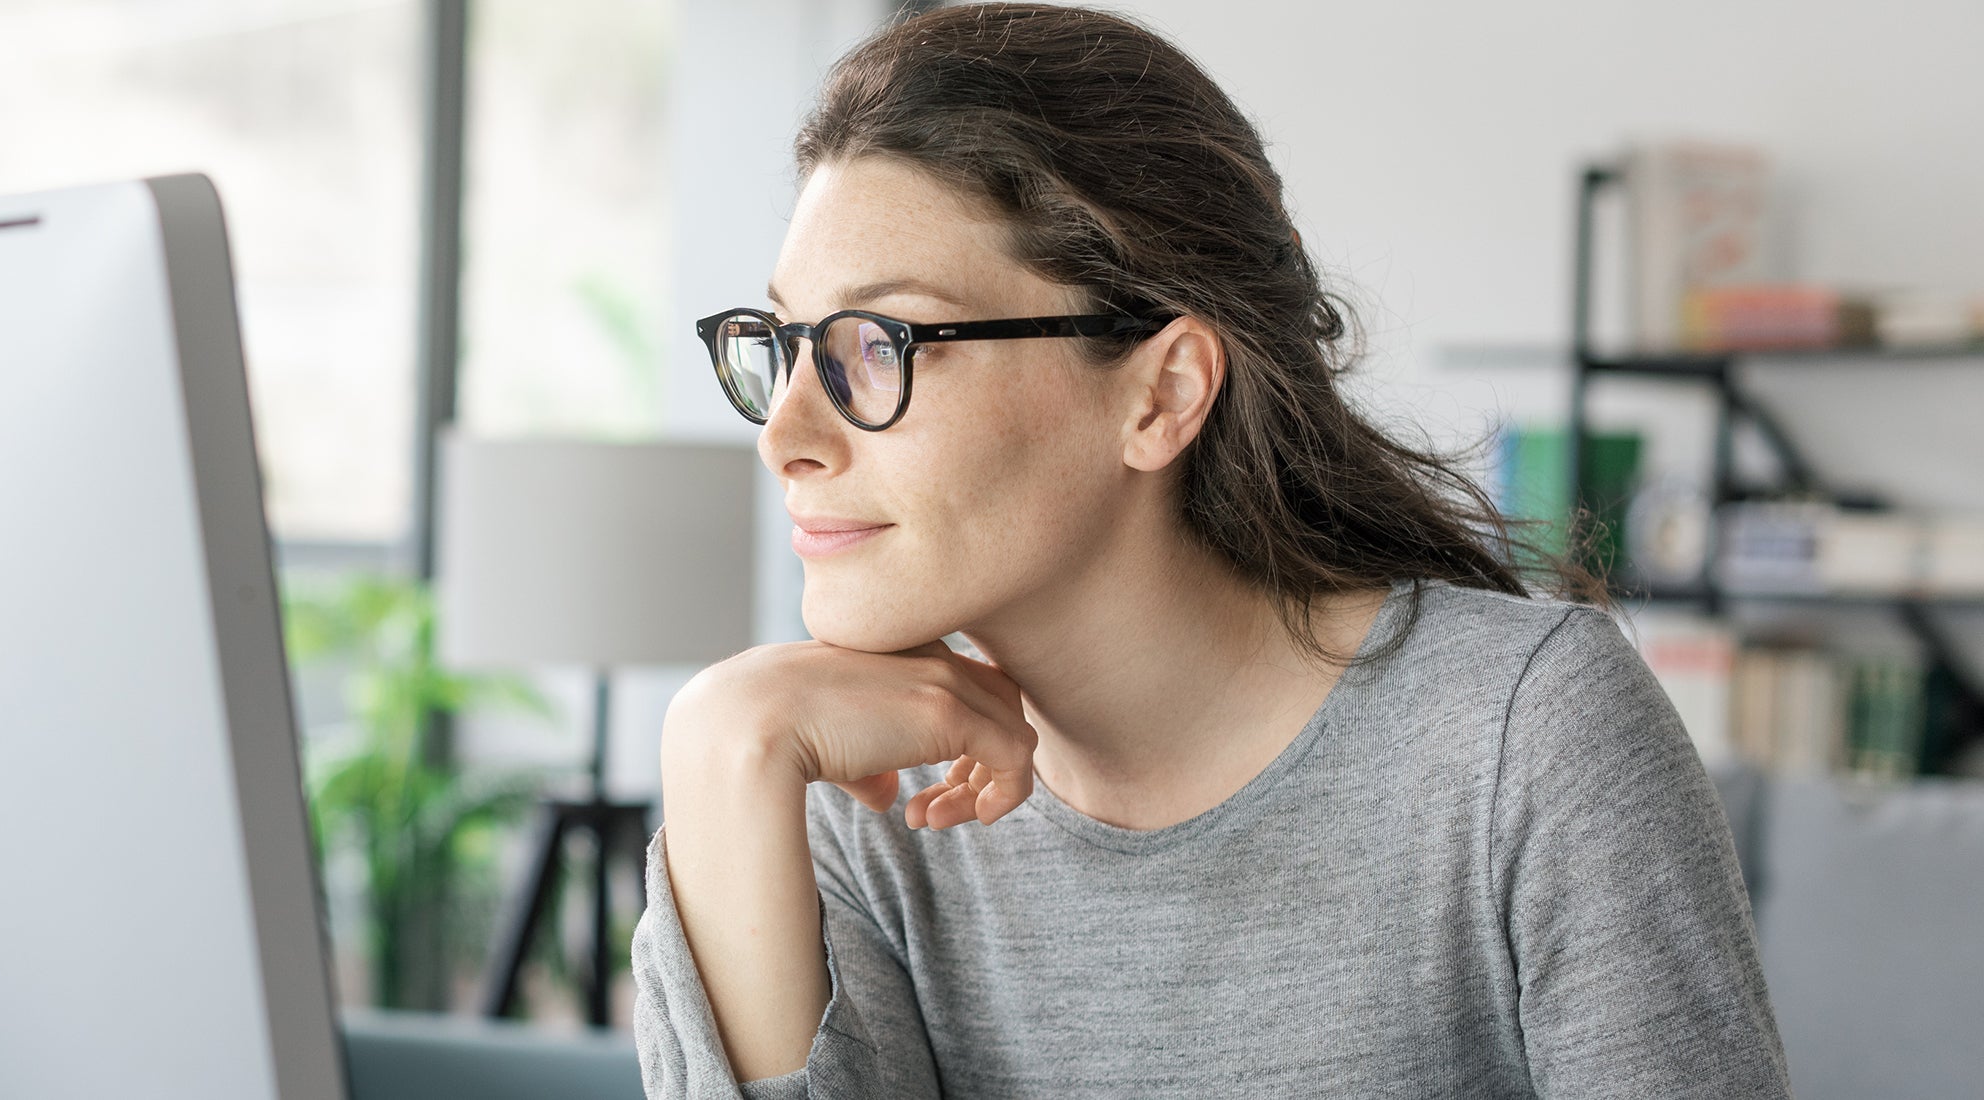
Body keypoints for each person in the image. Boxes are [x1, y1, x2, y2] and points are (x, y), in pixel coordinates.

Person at [629, 5, 1788, 1097]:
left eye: (876, 342)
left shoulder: (1525, 740)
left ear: (1160, 393)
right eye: (781, 343)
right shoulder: (848, 800)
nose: (784, 430)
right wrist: (721, 746)